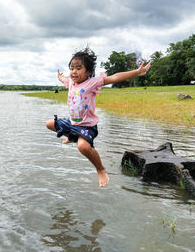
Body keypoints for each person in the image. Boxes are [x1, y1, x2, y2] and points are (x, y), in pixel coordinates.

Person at [46, 47, 151, 187]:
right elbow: (63, 79)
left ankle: (100, 169)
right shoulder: (70, 83)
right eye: (72, 68)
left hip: (87, 126)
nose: (74, 71)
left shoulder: (92, 83)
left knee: (83, 147)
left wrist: (137, 72)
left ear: (88, 72)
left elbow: (114, 77)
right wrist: (59, 76)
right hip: (73, 124)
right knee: (50, 124)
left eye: (78, 68)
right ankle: (72, 137)